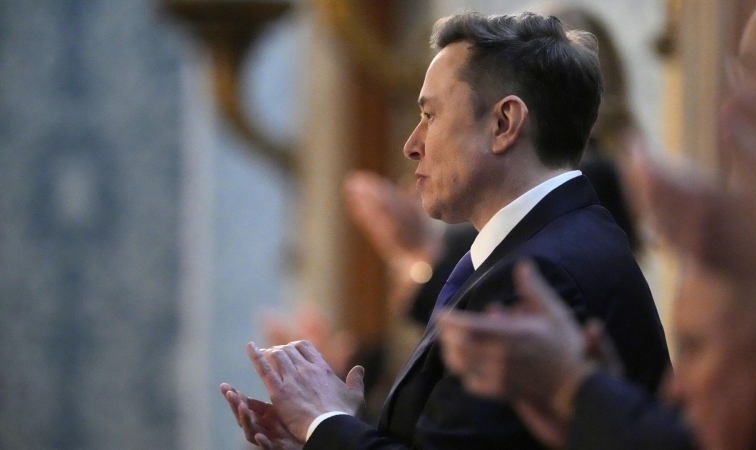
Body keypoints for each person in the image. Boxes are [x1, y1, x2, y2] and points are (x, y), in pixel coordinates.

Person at [220, 11, 670, 450]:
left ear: (503, 124)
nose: (411, 145)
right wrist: (322, 434)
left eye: (430, 116)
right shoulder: (543, 247)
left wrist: (325, 422)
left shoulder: (538, 277)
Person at [437, 1, 756, 449]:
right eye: (743, 73)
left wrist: (579, 392)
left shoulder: (574, 214)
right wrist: (594, 402)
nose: (734, 106)